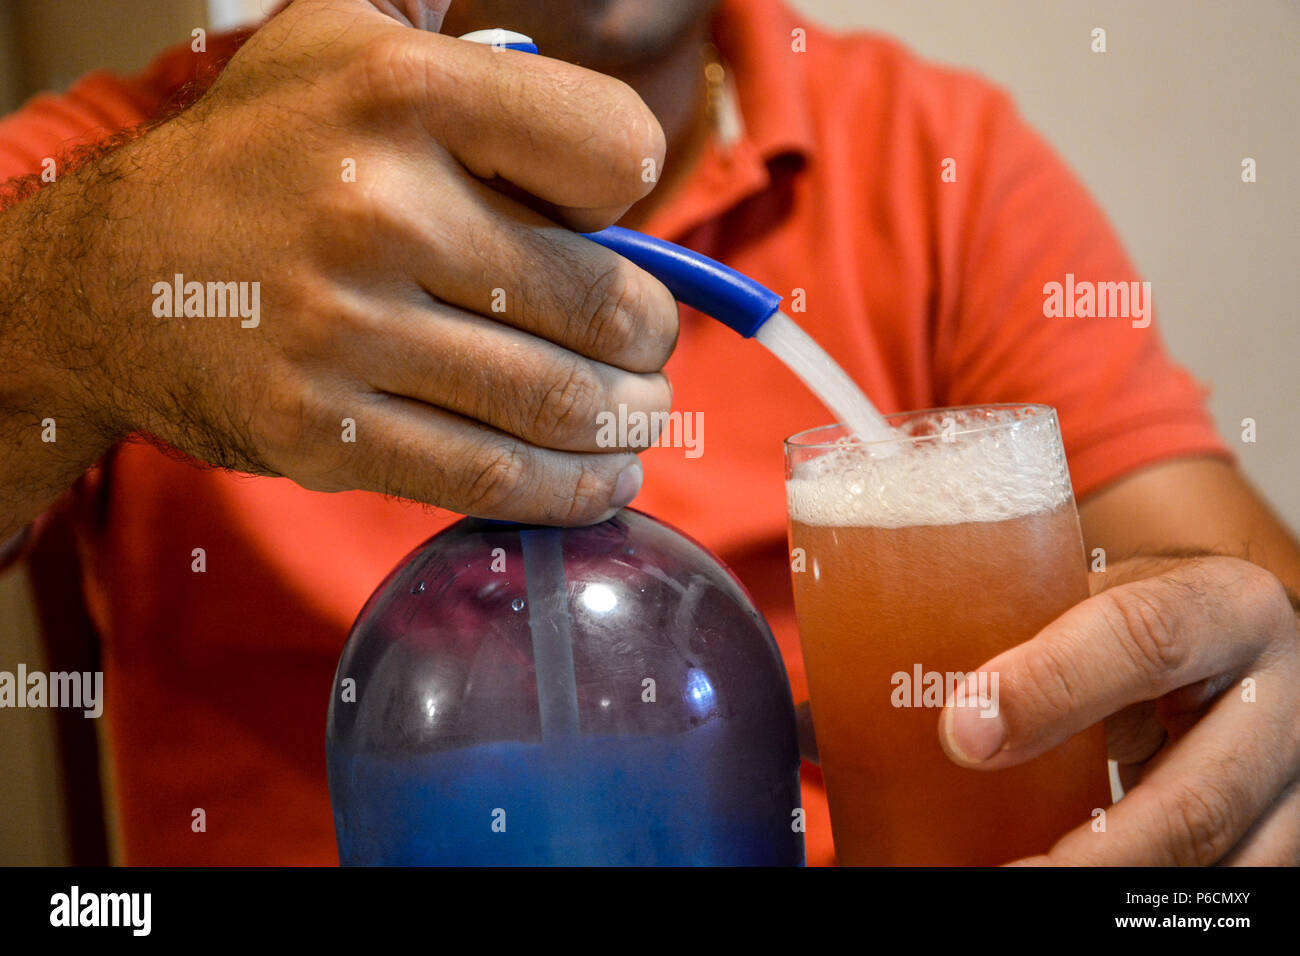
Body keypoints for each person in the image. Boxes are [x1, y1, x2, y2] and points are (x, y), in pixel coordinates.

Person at [0, 0, 1296, 866]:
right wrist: (98, 290)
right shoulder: (129, 165)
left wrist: (1245, 694)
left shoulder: (934, 156)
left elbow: (1225, 598)